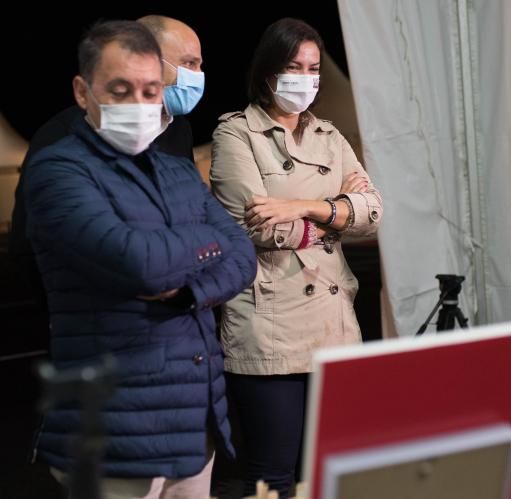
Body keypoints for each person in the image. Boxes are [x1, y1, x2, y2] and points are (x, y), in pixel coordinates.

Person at [23, 20, 256, 498]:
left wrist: (189, 287)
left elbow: (241, 254)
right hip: (116, 433)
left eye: (151, 91)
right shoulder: (58, 169)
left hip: (194, 424)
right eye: (120, 89)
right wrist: (201, 240)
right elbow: (141, 264)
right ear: (83, 92)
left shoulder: (174, 167)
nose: (139, 104)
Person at [209, 18, 383, 498]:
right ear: (268, 71)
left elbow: (373, 215)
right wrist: (336, 214)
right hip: (270, 324)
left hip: (333, 322)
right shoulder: (236, 134)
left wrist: (304, 206)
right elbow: (260, 225)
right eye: (293, 67)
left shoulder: (329, 135)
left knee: (329, 468)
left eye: (312, 69)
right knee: (275, 475)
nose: (304, 79)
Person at [9, 15, 204, 302]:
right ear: (147, 59)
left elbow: (208, 230)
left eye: (199, 64)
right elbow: (30, 250)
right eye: (189, 64)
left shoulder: (179, 130)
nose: (199, 74)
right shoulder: (59, 140)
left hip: (179, 315)